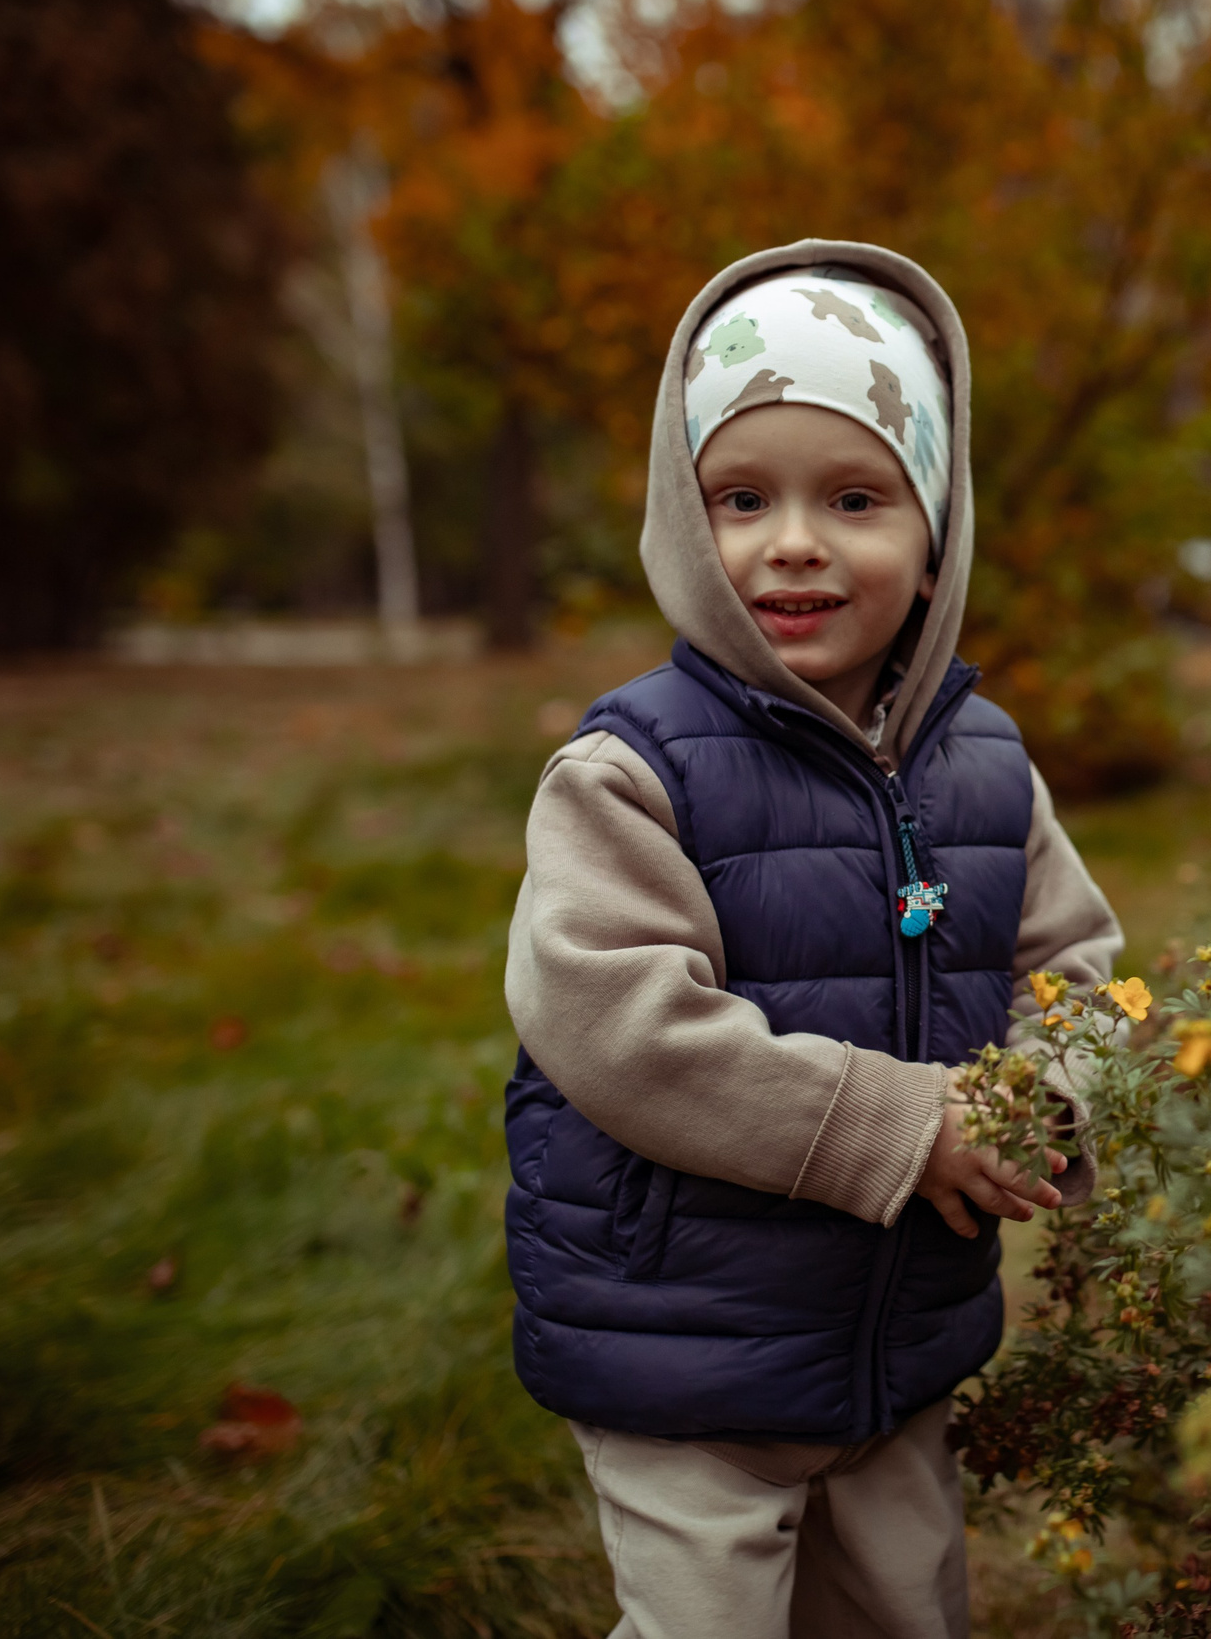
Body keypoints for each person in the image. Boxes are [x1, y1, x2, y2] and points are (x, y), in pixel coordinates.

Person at [502, 240, 1122, 1639]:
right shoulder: (633, 770)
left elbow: (1077, 966)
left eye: (854, 497)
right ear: (682, 516)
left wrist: (1047, 1098)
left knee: (909, 1614)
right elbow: (613, 1018)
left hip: (899, 1337)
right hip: (686, 1346)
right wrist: (893, 1126)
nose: (792, 541)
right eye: (741, 497)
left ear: (937, 527)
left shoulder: (985, 770)